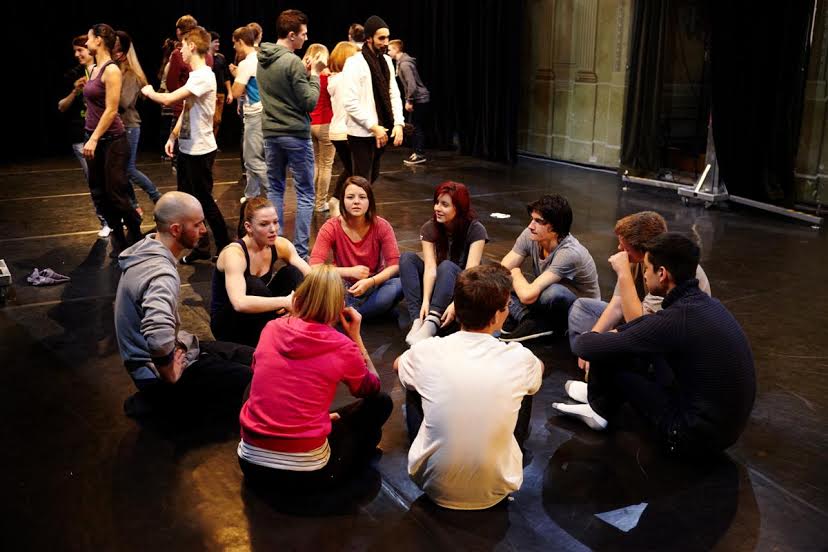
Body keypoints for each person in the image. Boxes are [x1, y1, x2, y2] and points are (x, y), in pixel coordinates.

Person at [559, 233, 756, 458]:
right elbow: (642, 328)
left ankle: (599, 410)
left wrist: (605, 336)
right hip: (723, 432)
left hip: (689, 436)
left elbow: (585, 346)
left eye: (646, 269)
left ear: (662, 274)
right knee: (635, 347)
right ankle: (599, 396)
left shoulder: (677, 319)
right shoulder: (706, 305)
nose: (644, 274)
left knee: (612, 352)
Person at [394, 264, 543, 509]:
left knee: (412, 377)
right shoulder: (519, 357)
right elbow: (539, 368)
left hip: (431, 484)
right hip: (497, 488)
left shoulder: (428, 350)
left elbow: (398, 364)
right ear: (496, 316)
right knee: (527, 383)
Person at [237, 264, 393, 492]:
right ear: (341, 307)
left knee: (254, 383)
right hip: (306, 475)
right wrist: (355, 337)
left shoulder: (271, 328)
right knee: (381, 403)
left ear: (299, 298)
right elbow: (372, 387)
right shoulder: (342, 346)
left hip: (250, 464)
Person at [114, 192, 253, 416]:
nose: (204, 230)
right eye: (197, 224)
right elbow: (158, 336)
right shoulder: (161, 273)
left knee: (252, 356)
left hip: (173, 350)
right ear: (176, 229)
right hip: (155, 374)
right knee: (251, 380)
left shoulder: (147, 247)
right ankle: (158, 402)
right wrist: (169, 372)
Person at [567, 211, 711, 370]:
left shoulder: (667, 272)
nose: (619, 249)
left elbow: (640, 329)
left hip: (664, 339)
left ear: (644, 251)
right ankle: (592, 364)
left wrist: (623, 272)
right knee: (582, 308)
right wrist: (593, 338)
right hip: (641, 318)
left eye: (625, 247)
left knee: (615, 355)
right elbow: (617, 305)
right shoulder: (637, 261)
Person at [142, 26, 230, 264]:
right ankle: (201, 246)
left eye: (182, 46)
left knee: (204, 201)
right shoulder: (195, 75)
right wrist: (173, 137)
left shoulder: (204, 76)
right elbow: (186, 109)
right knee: (187, 201)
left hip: (200, 150)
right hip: (188, 147)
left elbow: (168, 99)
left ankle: (226, 246)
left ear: (191, 46)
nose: (180, 50)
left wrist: (149, 91)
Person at [257, 9, 320, 260]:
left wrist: (303, 74)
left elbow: (284, 91)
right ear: (292, 35)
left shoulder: (263, 59)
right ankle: (300, 253)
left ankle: (275, 248)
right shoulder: (292, 62)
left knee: (275, 189)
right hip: (295, 134)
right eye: (303, 34)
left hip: (271, 133)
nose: (306, 38)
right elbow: (309, 102)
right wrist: (314, 76)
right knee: (305, 193)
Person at [499, 194, 600, 342]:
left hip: (581, 311)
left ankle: (552, 325)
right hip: (543, 297)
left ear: (555, 227)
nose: (530, 226)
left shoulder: (569, 253)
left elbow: (527, 296)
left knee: (552, 293)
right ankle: (527, 318)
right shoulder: (531, 234)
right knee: (503, 282)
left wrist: (515, 272)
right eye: (532, 219)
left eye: (538, 221)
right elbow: (500, 271)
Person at [210, 198, 310, 347]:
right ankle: (276, 334)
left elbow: (311, 276)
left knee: (293, 273)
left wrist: (330, 295)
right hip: (228, 324)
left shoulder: (280, 244)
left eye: (275, 222)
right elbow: (239, 303)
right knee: (254, 285)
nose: (273, 229)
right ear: (249, 227)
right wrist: (285, 302)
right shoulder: (234, 254)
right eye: (264, 224)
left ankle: (282, 327)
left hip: (257, 316)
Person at [400, 181, 488, 345]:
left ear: (458, 208)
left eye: (444, 205)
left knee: (447, 266)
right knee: (407, 258)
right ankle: (418, 321)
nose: (437, 208)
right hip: (438, 285)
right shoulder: (429, 227)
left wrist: (455, 305)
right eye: (437, 203)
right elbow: (430, 268)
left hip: (461, 290)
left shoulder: (476, 229)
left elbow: (471, 274)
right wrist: (425, 301)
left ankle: (432, 323)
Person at [83, 23, 143, 254]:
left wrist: (94, 138)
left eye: (89, 37)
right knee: (99, 194)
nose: (86, 42)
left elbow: (111, 110)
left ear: (99, 40)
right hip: (93, 136)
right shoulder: (94, 68)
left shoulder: (111, 70)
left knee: (115, 193)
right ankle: (118, 239)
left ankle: (136, 233)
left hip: (112, 141)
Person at [309, 176, 403, 319]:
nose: (356, 202)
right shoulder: (331, 227)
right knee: (316, 282)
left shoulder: (382, 226)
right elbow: (314, 267)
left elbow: (394, 265)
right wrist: (350, 271)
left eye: (362, 197)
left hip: (374, 285)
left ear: (370, 201)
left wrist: (370, 282)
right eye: (350, 197)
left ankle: (349, 314)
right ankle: (370, 311)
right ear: (343, 200)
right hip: (342, 288)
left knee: (401, 282)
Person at [341, 15, 405, 183]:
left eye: (387, 38)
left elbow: (393, 93)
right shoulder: (354, 63)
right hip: (361, 132)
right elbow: (349, 102)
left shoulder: (387, 61)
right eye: (381, 38)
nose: (386, 42)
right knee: (362, 180)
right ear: (369, 38)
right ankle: (344, 199)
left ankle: (340, 198)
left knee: (371, 177)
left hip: (382, 128)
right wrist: (373, 126)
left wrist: (398, 123)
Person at [58, 34, 110, 238]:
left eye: (80, 50)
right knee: (94, 181)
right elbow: (61, 106)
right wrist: (75, 91)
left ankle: (118, 216)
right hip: (81, 135)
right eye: (75, 51)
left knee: (112, 180)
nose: (77, 54)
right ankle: (105, 221)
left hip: (103, 133)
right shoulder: (73, 75)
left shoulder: (102, 71)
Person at [113, 31, 161, 210]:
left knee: (128, 169)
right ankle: (134, 206)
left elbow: (124, 102)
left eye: (116, 48)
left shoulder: (131, 74)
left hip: (129, 125)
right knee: (120, 170)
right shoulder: (116, 70)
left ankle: (157, 197)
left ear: (123, 52)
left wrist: (106, 95)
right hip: (119, 126)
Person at [231, 26, 268, 201]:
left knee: (252, 159)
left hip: (255, 113)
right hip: (265, 111)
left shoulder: (246, 63)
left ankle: (274, 191)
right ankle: (251, 194)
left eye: (234, 43)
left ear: (240, 41)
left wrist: (237, 75)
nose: (234, 47)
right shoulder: (263, 58)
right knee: (252, 156)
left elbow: (236, 92)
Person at [326, 41, 360, 217]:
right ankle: (344, 202)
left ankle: (337, 199)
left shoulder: (334, 79)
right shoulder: (346, 79)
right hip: (348, 131)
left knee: (351, 169)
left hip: (336, 130)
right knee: (359, 172)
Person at [388, 39, 430, 166]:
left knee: (416, 127)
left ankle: (419, 154)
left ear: (396, 50)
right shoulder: (401, 62)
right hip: (418, 98)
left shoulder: (405, 64)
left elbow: (411, 85)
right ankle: (417, 152)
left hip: (419, 98)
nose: (388, 52)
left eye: (389, 50)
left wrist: (409, 100)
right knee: (415, 126)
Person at [304, 43, 335, 213]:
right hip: (325, 124)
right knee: (326, 165)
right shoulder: (328, 77)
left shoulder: (304, 76)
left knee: (314, 164)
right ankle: (320, 203)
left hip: (309, 124)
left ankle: (308, 201)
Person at [209, 31, 233, 139]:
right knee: (211, 120)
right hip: (210, 94)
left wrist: (230, 92)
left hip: (220, 93)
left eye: (218, 42)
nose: (218, 44)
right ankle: (208, 143)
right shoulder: (205, 58)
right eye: (215, 42)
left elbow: (226, 77)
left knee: (218, 120)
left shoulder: (221, 57)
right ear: (209, 43)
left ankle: (213, 142)